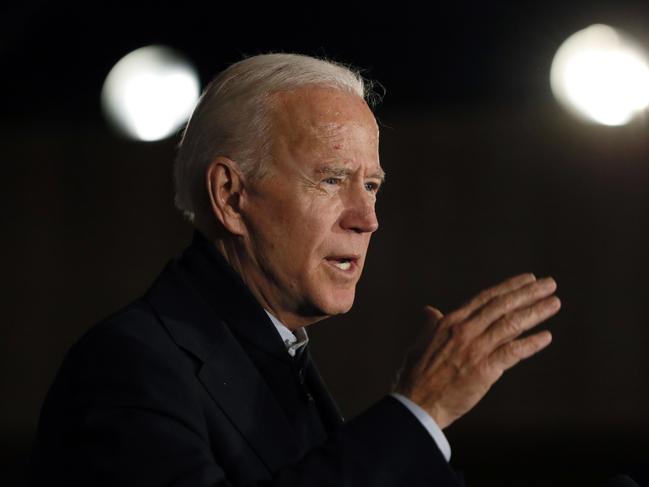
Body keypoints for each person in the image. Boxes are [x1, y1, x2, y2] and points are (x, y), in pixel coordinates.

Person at [29, 53, 561, 486]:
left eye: (371, 186)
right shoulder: (129, 366)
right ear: (230, 197)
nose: (367, 219)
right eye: (331, 180)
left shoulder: (276, 356)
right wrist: (418, 410)